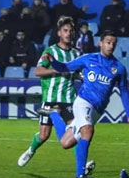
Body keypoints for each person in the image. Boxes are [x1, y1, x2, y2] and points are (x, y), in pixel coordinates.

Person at [43, 30, 129, 178]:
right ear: (101, 43)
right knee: (88, 130)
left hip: (98, 110)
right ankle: (80, 175)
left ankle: (53, 113)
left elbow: (124, 91)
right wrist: (52, 60)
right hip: (83, 102)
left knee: (66, 143)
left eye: (113, 43)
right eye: (108, 42)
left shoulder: (119, 68)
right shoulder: (88, 59)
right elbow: (64, 67)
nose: (110, 45)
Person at [18, 17, 83, 166]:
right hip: (50, 99)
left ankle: (82, 165)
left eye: (70, 31)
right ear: (59, 33)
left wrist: (83, 78)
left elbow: (77, 73)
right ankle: (31, 150)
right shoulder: (50, 51)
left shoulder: (76, 54)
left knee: (76, 132)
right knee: (44, 135)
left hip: (69, 100)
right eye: (65, 30)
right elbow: (38, 71)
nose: (68, 33)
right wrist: (56, 69)